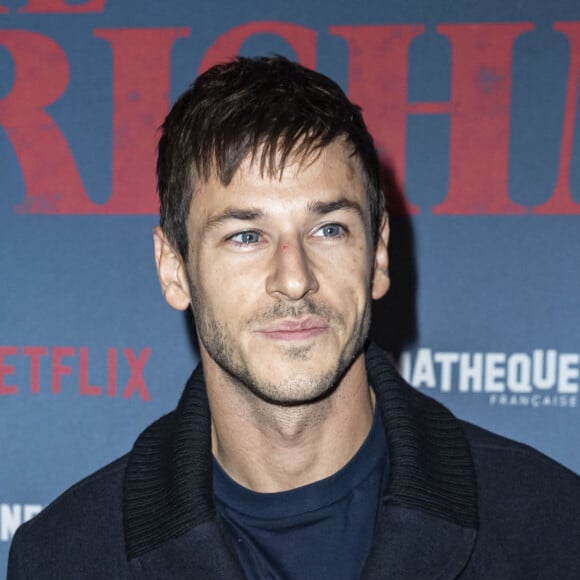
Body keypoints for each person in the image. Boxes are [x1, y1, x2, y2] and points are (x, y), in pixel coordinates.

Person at [7, 56, 580, 580]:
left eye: (328, 229)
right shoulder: (64, 556)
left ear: (378, 255)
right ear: (174, 270)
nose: (294, 278)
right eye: (246, 235)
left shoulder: (552, 527)